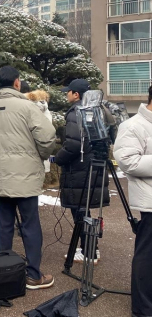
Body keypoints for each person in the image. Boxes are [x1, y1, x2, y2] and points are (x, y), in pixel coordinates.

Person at [0, 66, 57, 290]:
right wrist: (39, 154)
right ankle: (33, 275)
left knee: (5, 224)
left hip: (0, 175)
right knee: (30, 225)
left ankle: (5, 272)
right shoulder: (28, 107)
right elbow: (48, 137)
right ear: (17, 82)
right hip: (26, 175)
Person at [55, 79, 109, 264]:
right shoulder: (97, 109)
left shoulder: (76, 112)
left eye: (68, 92)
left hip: (79, 169)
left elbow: (73, 144)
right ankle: (90, 247)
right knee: (84, 210)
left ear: (76, 94)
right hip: (93, 165)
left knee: (80, 211)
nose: (66, 94)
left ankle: (89, 251)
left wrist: (58, 158)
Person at [113, 87, 152, 317]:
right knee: (147, 256)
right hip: (150, 200)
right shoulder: (132, 125)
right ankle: (143, 309)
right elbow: (128, 161)